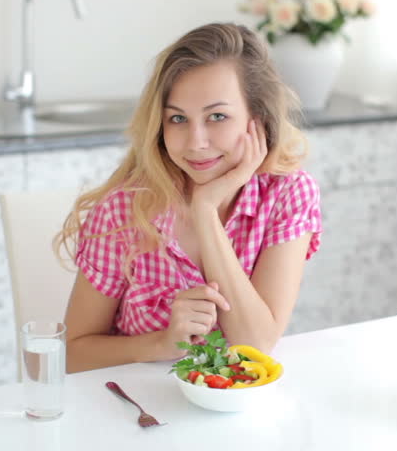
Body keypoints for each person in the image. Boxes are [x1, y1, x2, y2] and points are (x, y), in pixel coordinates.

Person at [54, 23, 322, 373]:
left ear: (256, 119)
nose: (196, 141)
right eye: (178, 118)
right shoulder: (124, 211)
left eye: (217, 117)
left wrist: (205, 211)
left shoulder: (287, 195)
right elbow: (72, 355)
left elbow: (256, 345)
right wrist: (162, 343)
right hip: (135, 410)